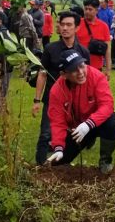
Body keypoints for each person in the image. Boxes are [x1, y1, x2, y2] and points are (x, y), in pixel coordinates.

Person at [44, 49, 115, 174]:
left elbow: (107, 105)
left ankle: (105, 161)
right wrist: (58, 148)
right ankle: (86, 140)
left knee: (111, 121)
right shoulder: (56, 91)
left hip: (96, 123)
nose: (81, 72)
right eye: (74, 70)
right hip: (77, 129)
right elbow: (57, 122)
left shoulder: (97, 76)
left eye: (82, 66)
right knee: (59, 162)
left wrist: (89, 124)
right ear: (63, 74)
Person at [32, 11, 90, 164]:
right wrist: (37, 100)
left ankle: (62, 164)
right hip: (53, 98)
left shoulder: (83, 51)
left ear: (77, 28)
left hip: (75, 100)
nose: (65, 28)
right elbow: (42, 74)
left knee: (72, 132)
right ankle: (40, 165)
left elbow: (87, 77)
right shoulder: (51, 49)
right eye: (62, 24)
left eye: (69, 25)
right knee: (46, 132)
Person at [77, 0, 112, 76]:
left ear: (96, 10)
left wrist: (108, 69)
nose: (87, 12)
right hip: (79, 67)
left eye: (90, 9)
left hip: (96, 68)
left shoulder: (103, 26)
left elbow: (108, 50)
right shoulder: (77, 24)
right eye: (85, 9)